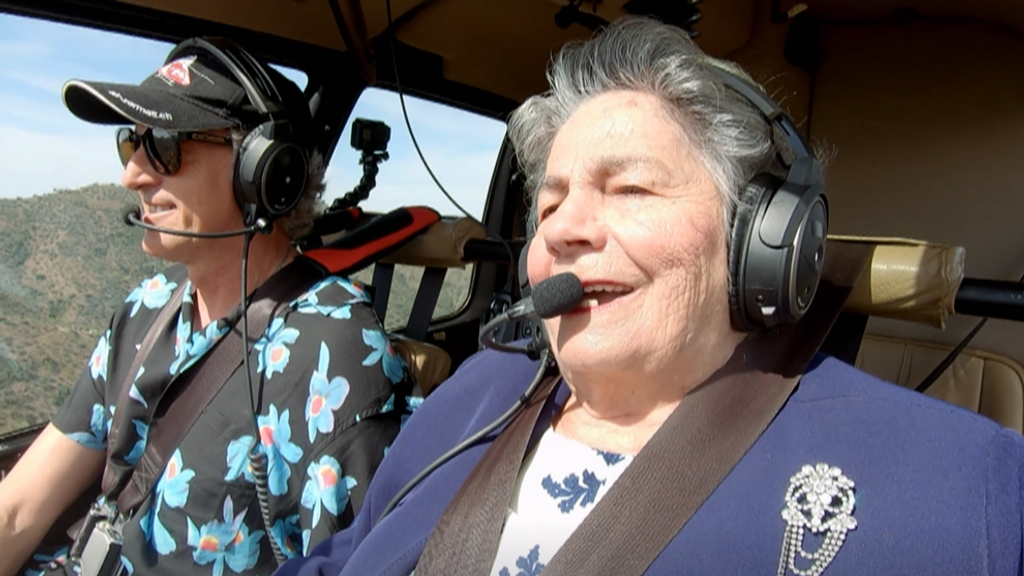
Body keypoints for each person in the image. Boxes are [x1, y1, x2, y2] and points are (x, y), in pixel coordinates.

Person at [271, 16, 1024, 576]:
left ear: (759, 241)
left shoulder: (955, 485)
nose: (565, 231)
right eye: (550, 205)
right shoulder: (479, 394)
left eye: (628, 188)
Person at [0, 37, 415, 576]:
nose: (133, 175)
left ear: (263, 170)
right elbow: (17, 511)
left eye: (166, 145)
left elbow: (360, 562)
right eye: (134, 143)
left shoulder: (333, 351)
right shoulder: (145, 312)